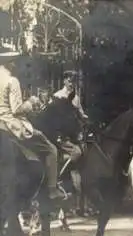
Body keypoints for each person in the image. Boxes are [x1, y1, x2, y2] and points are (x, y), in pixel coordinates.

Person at [0, 46, 65, 200]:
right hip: (10, 125)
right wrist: (31, 102)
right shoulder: (11, 80)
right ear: (8, 62)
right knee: (51, 149)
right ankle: (52, 189)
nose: (15, 65)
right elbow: (16, 109)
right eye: (14, 61)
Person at [50, 70, 88, 162]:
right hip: (61, 135)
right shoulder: (57, 96)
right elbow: (51, 116)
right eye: (70, 81)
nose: (72, 84)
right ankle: (61, 165)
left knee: (85, 149)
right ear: (64, 81)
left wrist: (85, 118)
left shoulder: (76, 98)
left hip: (73, 134)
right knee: (77, 153)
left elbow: (80, 113)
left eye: (73, 82)